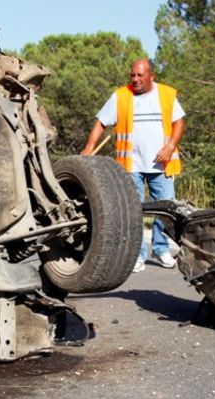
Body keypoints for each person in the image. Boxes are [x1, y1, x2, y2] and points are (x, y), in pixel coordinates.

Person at [81, 59, 185, 273]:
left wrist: (171, 146)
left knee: (165, 210)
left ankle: (161, 248)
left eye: (140, 75)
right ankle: (137, 254)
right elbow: (100, 122)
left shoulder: (166, 94)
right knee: (133, 211)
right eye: (132, 76)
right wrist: (88, 149)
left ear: (151, 76)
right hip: (131, 164)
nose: (135, 80)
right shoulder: (120, 96)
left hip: (161, 164)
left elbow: (179, 122)